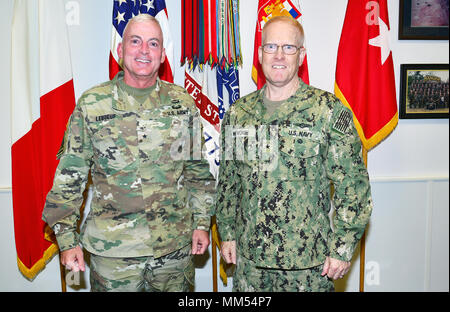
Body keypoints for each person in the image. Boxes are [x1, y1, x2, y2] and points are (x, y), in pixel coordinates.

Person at [42, 14, 215, 292]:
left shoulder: (182, 102)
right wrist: (66, 240)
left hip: (173, 252)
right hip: (113, 257)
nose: (144, 51)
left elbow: (197, 171)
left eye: (153, 43)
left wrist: (203, 221)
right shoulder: (93, 103)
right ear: (121, 51)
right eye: (135, 41)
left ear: (162, 55)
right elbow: (69, 177)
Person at [215, 16, 373, 292]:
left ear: (301, 56)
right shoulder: (238, 113)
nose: (278, 55)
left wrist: (342, 247)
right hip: (251, 265)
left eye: (288, 48)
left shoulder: (327, 110)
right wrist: (226, 234)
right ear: (260, 53)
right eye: (270, 47)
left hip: (308, 267)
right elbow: (228, 183)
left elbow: (354, 186)